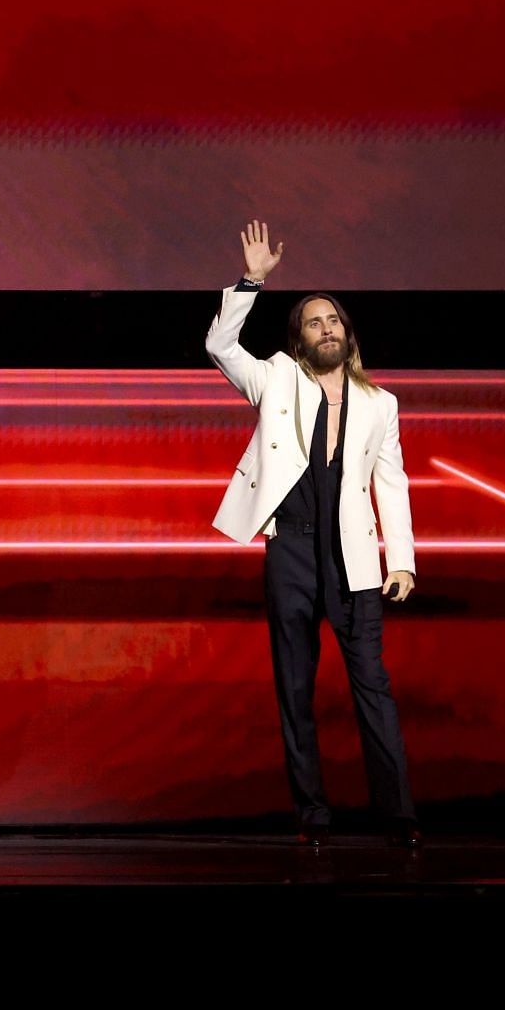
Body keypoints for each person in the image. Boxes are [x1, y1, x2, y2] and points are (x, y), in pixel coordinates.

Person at [206, 221, 421, 848]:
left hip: (352, 557)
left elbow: (392, 483)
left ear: (346, 334)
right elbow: (221, 345)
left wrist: (400, 558)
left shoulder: (381, 404)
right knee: (295, 687)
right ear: (300, 339)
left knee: (372, 687)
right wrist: (252, 282)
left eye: (334, 321)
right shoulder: (274, 379)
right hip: (292, 549)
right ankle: (313, 816)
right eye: (313, 322)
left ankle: (399, 816)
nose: (326, 329)